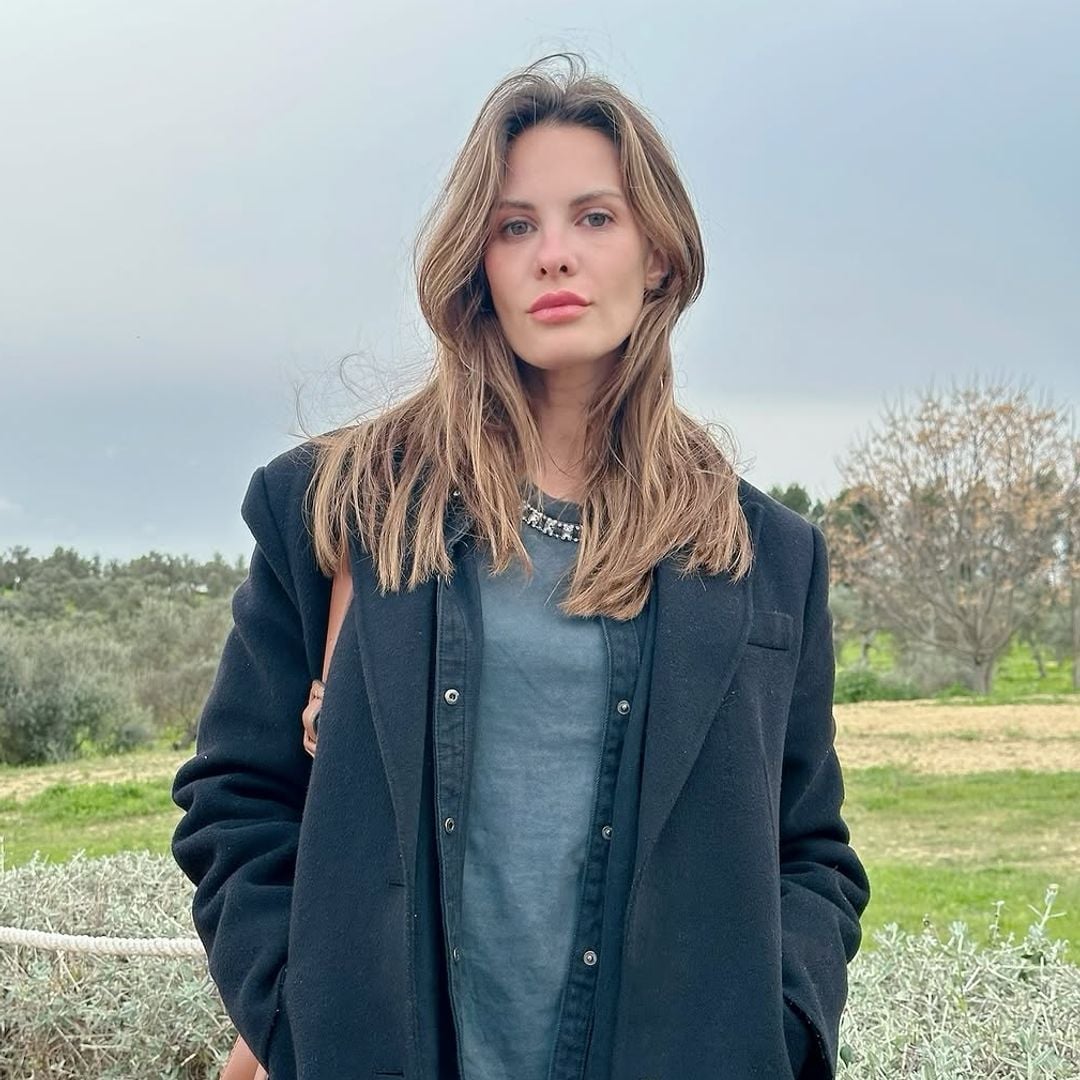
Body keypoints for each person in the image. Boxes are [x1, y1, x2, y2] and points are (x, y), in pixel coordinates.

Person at [171, 53, 870, 1080]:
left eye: (595, 217)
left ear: (660, 255)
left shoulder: (765, 558)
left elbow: (809, 851)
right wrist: (302, 1022)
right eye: (514, 227)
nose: (554, 256)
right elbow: (235, 796)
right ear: (479, 264)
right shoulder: (343, 506)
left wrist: (778, 1031)